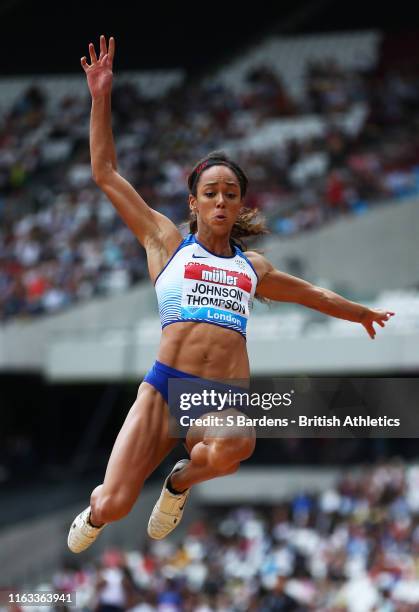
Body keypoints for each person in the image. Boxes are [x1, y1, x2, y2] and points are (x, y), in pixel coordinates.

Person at [68, 36, 395, 553]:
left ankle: (179, 482)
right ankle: (99, 504)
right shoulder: (165, 243)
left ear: (240, 204)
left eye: (231, 193)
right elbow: (104, 173)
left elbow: (312, 294)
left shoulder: (251, 266)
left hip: (216, 399)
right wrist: (101, 96)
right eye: (210, 193)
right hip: (163, 388)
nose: (221, 200)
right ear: (194, 203)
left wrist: (361, 314)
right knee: (114, 506)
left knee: (237, 443)